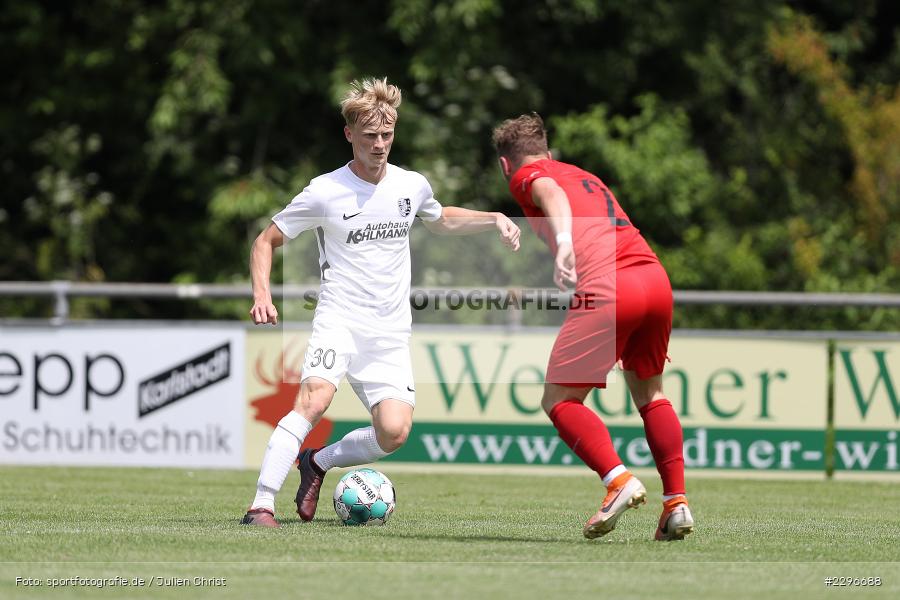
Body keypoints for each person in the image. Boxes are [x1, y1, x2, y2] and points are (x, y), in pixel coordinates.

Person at [241, 77, 521, 528]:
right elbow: (265, 240)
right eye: (369, 135)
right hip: (339, 319)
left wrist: (494, 217)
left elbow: (441, 218)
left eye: (386, 135)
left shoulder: (410, 185)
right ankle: (261, 505)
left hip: (389, 330)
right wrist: (261, 293)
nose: (379, 144)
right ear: (349, 134)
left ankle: (318, 463)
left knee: (394, 431)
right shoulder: (324, 191)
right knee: (313, 401)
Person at [492, 113, 693, 541]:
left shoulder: (528, 173)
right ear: (549, 149)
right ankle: (676, 503)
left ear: (506, 165)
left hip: (609, 285)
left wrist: (564, 242)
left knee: (559, 400)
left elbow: (549, 193)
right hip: (654, 278)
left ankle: (617, 480)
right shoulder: (584, 174)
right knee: (651, 394)